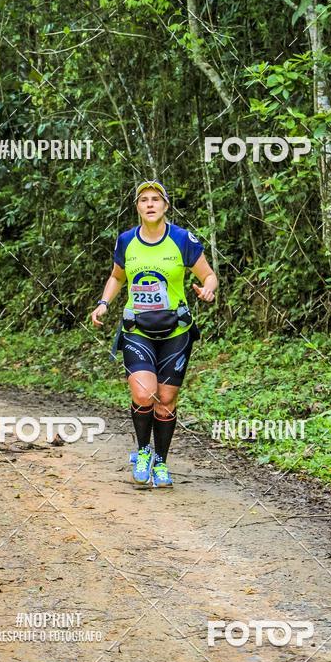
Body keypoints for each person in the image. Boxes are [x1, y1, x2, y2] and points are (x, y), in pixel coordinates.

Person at [90, 180, 218, 488]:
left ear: (165, 206)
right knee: (143, 393)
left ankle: (160, 462)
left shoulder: (181, 239)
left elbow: (209, 275)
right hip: (137, 329)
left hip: (176, 330)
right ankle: (143, 452)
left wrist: (208, 290)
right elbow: (116, 276)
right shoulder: (126, 241)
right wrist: (104, 303)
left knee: (166, 400)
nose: (150, 204)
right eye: (144, 199)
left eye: (156, 199)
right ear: (137, 207)